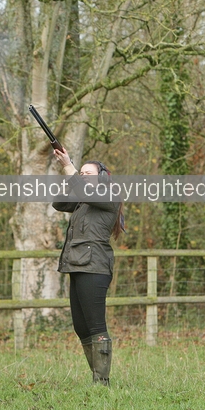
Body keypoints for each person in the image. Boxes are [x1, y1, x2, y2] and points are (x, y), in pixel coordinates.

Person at [52, 147, 124, 385]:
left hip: (95, 266)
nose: (83, 176)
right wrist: (71, 177)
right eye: (81, 173)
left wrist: (69, 166)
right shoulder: (83, 199)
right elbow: (58, 202)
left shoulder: (109, 195)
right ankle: (97, 377)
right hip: (77, 264)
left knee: (95, 325)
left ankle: (102, 382)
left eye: (88, 173)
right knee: (81, 327)